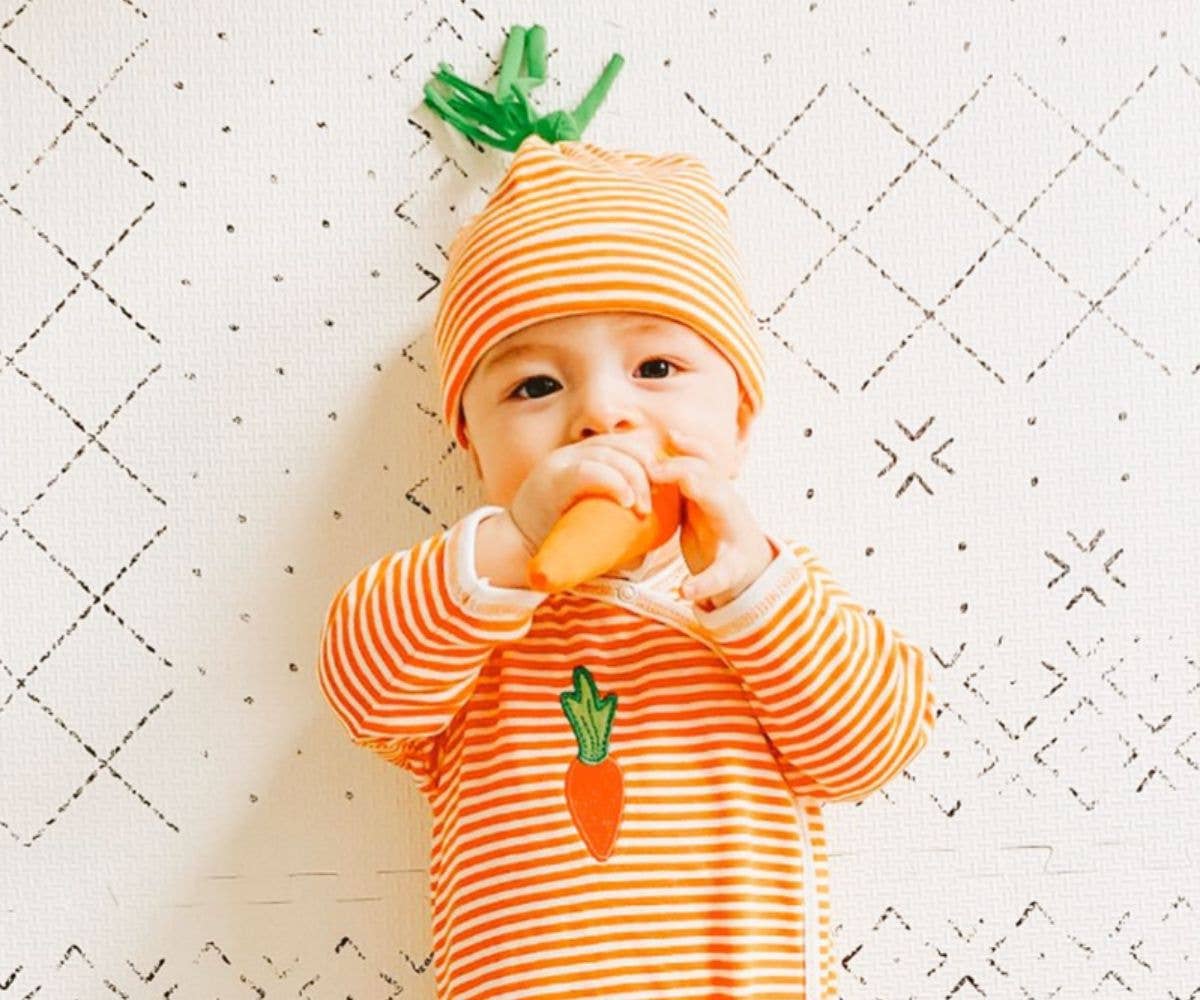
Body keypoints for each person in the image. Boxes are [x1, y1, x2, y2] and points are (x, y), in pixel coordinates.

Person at [316, 23, 936, 1000]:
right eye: (532, 387)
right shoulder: (473, 614)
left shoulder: (759, 600)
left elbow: (870, 748)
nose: (603, 411)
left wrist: (754, 585)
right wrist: (516, 542)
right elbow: (365, 685)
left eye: (656, 367)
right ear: (471, 446)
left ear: (737, 414)